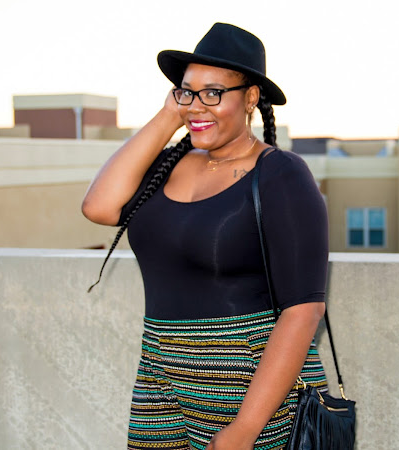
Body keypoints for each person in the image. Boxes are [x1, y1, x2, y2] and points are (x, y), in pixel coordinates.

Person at [82, 23, 329, 450]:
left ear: (251, 98)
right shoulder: (167, 166)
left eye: (214, 92)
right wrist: (169, 116)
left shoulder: (281, 174)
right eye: (187, 91)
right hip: (161, 370)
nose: (198, 105)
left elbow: (303, 310)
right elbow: (98, 207)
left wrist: (245, 430)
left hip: (250, 384)